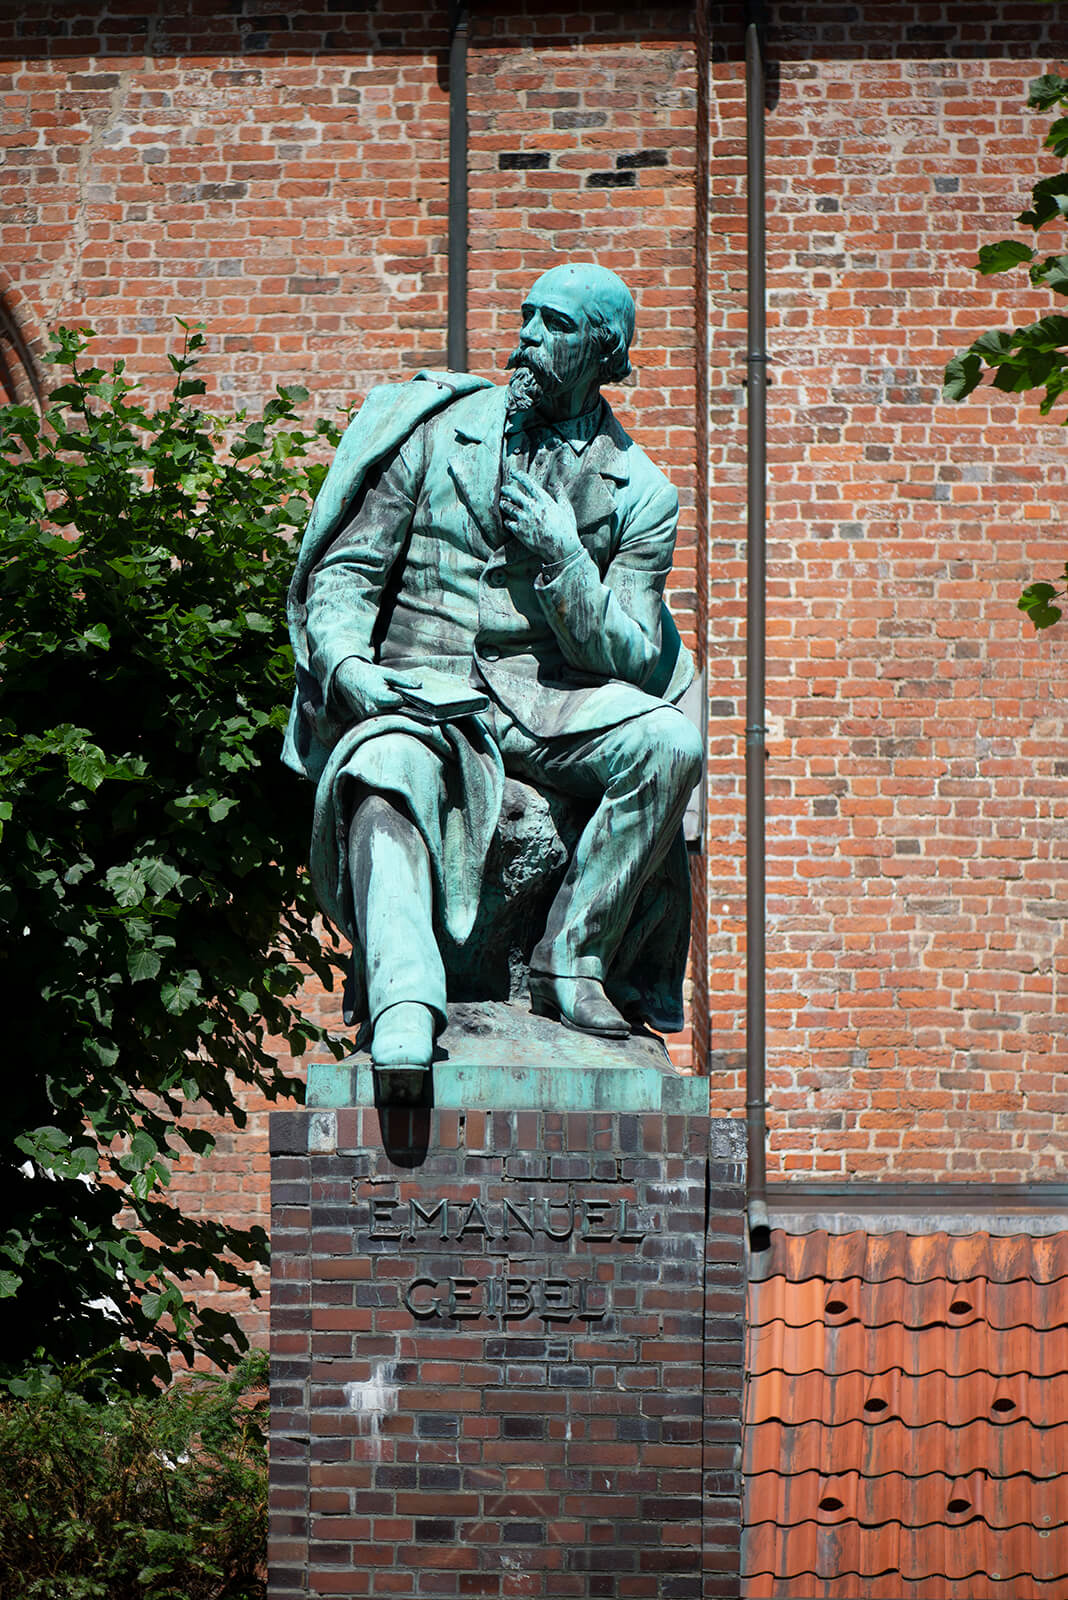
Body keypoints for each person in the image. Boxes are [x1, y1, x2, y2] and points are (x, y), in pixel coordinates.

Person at [283, 263, 701, 1068]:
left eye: (555, 326)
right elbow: (349, 572)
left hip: (546, 700)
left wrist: (563, 557)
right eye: (527, 319)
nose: (528, 340)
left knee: (670, 745)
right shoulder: (439, 429)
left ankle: (570, 958)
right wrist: (346, 667)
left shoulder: (643, 492)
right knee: (385, 768)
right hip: (420, 689)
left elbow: (631, 654)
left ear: (603, 349)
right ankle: (405, 999)